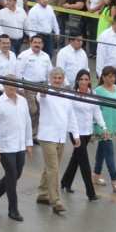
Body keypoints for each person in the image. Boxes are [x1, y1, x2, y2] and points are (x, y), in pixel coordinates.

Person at [36, 68, 80, 213]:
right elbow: (41, 97)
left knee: (50, 167)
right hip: (48, 136)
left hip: (61, 137)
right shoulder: (45, 93)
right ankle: (55, 201)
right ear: (50, 79)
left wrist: (76, 135)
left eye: (59, 78)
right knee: (53, 169)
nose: (57, 80)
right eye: (54, 78)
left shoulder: (67, 96)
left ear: (63, 79)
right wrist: (43, 92)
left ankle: (42, 194)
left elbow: (71, 117)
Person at [60, 70, 108, 201]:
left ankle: (65, 181)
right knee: (84, 162)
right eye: (81, 79)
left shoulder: (93, 94)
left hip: (87, 132)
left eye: (86, 79)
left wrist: (104, 127)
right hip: (75, 132)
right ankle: (91, 193)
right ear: (77, 80)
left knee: (76, 158)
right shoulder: (71, 94)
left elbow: (97, 112)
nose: (84, 82)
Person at [0, 76, 32, 221]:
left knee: (16, 174)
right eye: (8, 85)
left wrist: (29, 143)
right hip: (6, 146)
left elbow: (27, 122)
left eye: (14, 85)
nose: (12, 87)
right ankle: (13, 209)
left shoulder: (23, 101)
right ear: (3, 85)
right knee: (12, 177)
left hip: (19, 145)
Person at [93, 66, 116, 193]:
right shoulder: (98, 91)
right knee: (109, 152)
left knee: (102, 149)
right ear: (103, 77)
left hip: (114, 124)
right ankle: (115, 179)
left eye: (114, 76)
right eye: (109, 76)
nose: (112, 79)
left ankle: (96, 174)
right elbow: (94, 110)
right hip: (103, 126)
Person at [16, 34, 52, 140]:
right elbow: (18, 72)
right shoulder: (24, 55)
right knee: (32, 110)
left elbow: (50, 73)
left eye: (39, 43)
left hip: (41, 86)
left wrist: (48, 87)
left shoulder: (45, 56)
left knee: (40, 110)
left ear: (42, 44)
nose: (37, 44)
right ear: (30, 43)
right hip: (28, 86)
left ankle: (32, 135)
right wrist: (20, 88)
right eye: (35, 42)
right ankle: (24, 132)